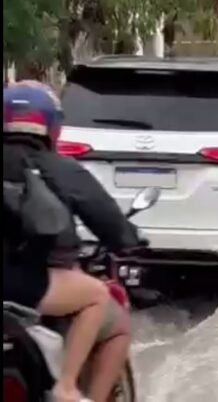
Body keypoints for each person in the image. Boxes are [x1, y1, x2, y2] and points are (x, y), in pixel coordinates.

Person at [3, 81, 142, 402]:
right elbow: (112, 225)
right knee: (101, 300)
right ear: (52, 128)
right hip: (25, 284)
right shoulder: (61, 169)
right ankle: (67, 387)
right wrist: (130, 240)